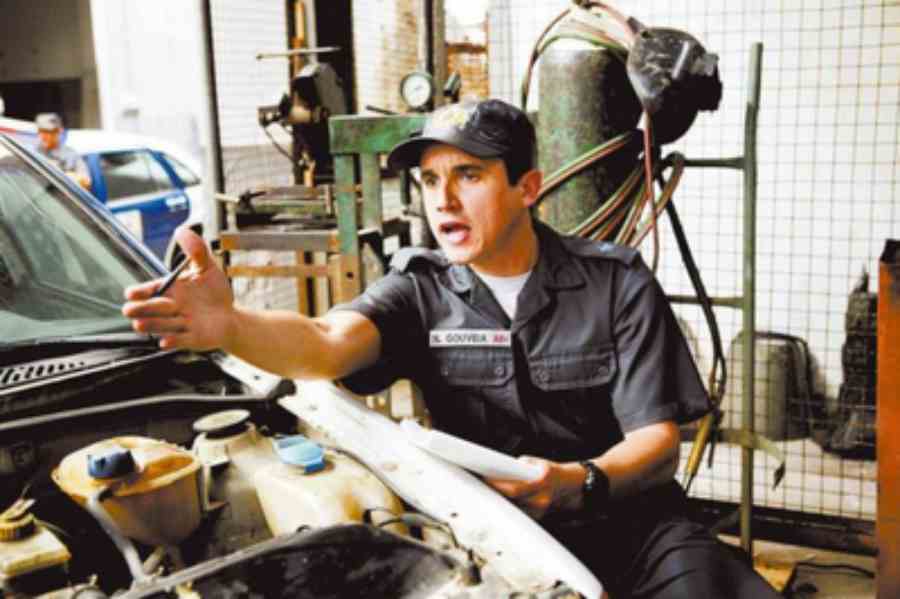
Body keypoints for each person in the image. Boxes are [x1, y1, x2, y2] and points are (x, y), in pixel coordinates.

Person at [122, 99, 780, 598]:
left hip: (633, 527)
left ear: (527, 186)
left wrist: (579, 483)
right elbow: (324, 342)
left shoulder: (616, 281)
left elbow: (657, 443)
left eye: (468, 175)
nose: (444, 200)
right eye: (431, 181)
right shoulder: (419, 289)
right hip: (495, 537)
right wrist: (230, 324)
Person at [34, 112, 91, 190]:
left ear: (59, 131)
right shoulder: (32, 152)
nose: (46, 136)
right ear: (39, 132)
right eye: (43, 131)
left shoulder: (71, 154)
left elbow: (86, 182)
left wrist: (65, 175)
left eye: (51, 132)